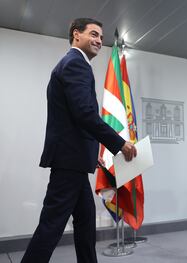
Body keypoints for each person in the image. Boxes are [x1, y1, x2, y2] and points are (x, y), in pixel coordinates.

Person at [21, 18, 137, 263]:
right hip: (69, 163)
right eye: (93, 34)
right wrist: (119, 143)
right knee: (51, 226)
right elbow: (84, 113)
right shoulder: (76, 64)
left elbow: (73, 118)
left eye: (101, 38)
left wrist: (90, 150)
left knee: (85, 221)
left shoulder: (71, 64)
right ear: (76, 35)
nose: (98, 41)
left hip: (74, 161)